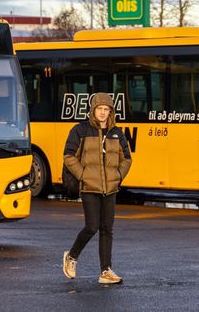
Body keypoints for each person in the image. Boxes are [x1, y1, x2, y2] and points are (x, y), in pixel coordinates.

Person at [62, 92, 132, 284]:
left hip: (110, 188)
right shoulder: (80, 130)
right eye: (100, 109)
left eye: (106, 110)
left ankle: (105, 271)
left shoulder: (116, 133)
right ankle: (71, 257)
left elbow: (127, 158)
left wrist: (118, 176)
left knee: (107, 229)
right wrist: (83, 175)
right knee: (92, 226)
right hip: (89, 187)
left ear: (111, 112)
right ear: (93, 110)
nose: (103, 113)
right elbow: (69, 156)